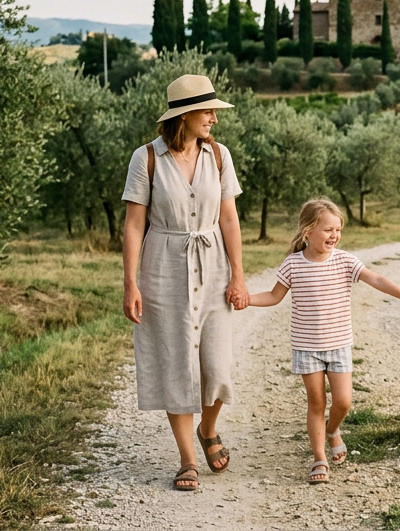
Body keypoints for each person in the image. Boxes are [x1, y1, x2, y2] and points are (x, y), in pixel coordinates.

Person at [121, 74, 249, 492]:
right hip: (163, 264)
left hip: (212, 263)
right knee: (176, 360)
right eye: (208, 110)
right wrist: (131, 284)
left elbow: (229, 218)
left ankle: (207, 429)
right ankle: (187, 459)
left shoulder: (219, 155)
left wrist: (239, 275)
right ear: (185, 115)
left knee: (216, 362)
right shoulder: (147, 159)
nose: (214, 117)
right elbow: (134, 223)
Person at [248, 198, 400, 484]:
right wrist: (247, 299)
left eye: (338, 230)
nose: (334, 235)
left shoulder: (345, 261)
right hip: (306, 347)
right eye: (327, 230)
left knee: (343, 402)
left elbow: (377, 279)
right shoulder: (293, 264)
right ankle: (319, 458)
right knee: (316, 403)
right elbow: (273, 296)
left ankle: (333, 430)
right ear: (308, 231)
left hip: (339, 344)